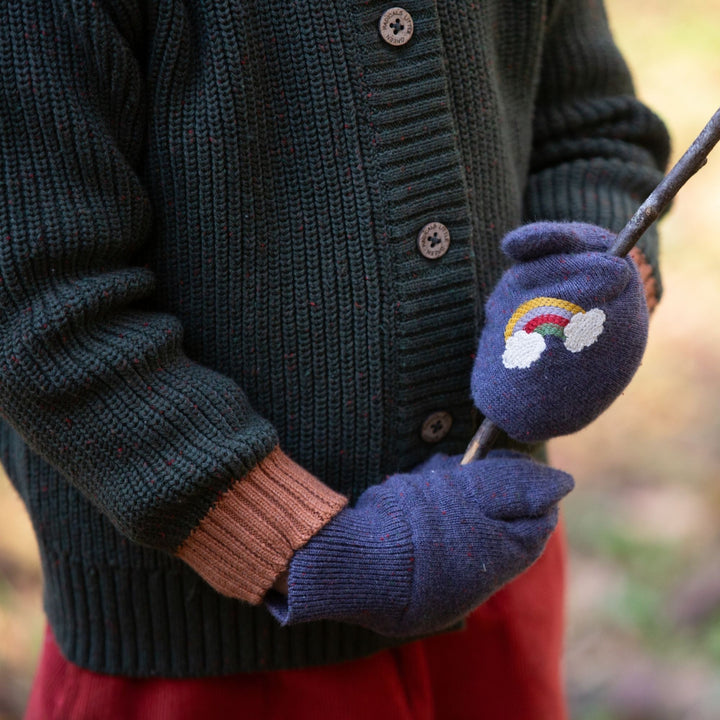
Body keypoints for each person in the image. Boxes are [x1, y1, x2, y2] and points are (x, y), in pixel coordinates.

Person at [0, 1, 669, 718]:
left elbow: (592, 131)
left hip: (489, 577)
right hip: (206, 648)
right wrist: (293, 545)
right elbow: (41, 301)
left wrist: (601, 277)